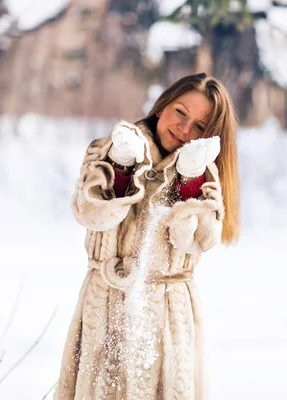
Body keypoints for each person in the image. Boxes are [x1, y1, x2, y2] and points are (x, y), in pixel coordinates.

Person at [55, 73, 239, 400]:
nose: (184, 129)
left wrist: (190, 181)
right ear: (162, 105)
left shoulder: (206, 172)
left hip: (168, 310)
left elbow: (196, 240)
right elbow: (90, 213)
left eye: (199, 126)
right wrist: (123, 166)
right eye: (180, 112)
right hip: (104, 302)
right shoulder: (109, 150)